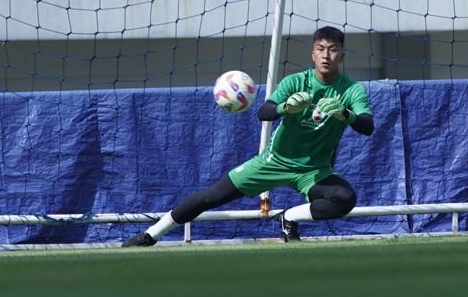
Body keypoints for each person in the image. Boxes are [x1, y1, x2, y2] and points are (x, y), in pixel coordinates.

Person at [123, 26, 374, 247]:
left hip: (314, 171)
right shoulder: (295, 82)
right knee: (210, 197)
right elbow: (264, 112)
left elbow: (367, 126)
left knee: (345, 199)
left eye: (332, 49)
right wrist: (285, 108)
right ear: (312, 54)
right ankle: (150, 235)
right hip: (274, 162)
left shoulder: (351, 90)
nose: (326, 55)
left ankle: (289, 218)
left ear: (341, 55)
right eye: (320, 49)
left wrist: (346, 114)